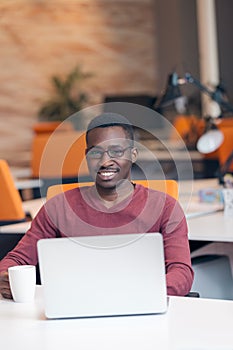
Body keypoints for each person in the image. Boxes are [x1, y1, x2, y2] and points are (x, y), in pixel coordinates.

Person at [0, 113, 193, 299]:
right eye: (96, 152)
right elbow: (17, 260)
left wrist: (135, 295)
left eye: (116, 152)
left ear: (133, 154)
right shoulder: (58, 207)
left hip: (141, 308)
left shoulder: (165, 207)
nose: (105, 161)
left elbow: (181, 273)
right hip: (74, 308)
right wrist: (5, 276)